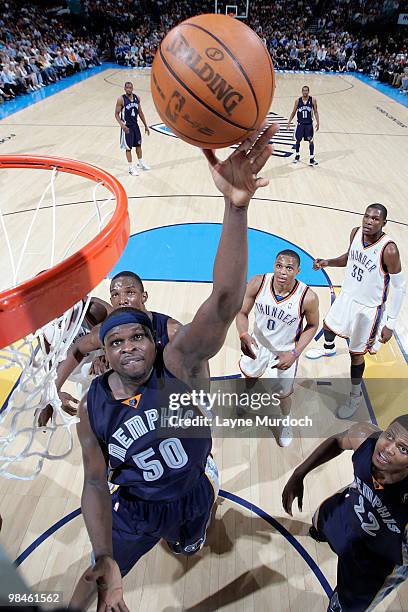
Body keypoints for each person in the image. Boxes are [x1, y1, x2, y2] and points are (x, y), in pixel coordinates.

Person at [69, 123, 277, 611]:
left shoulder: (178, 362)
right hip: (137, 509)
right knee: (96, 580)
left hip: (193, 486)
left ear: (150, 335)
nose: (129, 346)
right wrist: (104, 554)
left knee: (190, 545)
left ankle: (188, 536)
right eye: (115, 341)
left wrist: (236, 206)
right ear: (105, 352)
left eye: (137, 335)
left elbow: (225, 300)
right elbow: (96, 483)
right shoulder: (93, 407)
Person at [282, 415, 408, 612]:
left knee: (348, 605)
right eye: (389, 436)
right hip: (351, 510)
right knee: (321, 519)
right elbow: (337, 441)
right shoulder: (365, 438)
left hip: (379, 557)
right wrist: (299, 473)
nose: (388, 448)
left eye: (403, 449)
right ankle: (323, 533)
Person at [38, 271, 181, 426]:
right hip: (103, 377)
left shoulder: (171, 330)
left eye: (130, 292)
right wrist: (50, 394)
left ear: (144, 296)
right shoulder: (104, 332)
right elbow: (75, 350)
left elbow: (196, 363)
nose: (122, 300)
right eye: (115, 295)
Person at [306, 203, 405, 419]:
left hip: (368, 309)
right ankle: (329, 348)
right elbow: (349, 258)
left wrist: (390, 323)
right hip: (347, 297)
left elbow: (399, 287)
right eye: (367, 216)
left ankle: (354, 394)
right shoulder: (356, 233)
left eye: (375, 219)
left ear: (384, 223)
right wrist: (328, 262)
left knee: (356, 354)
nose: (369, 221)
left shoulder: (389, 249)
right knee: (328, 326)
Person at [236, 250, 319, 446]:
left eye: (289, 268)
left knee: (283, 395)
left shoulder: (307, 297)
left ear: (298, 271)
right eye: (279, 266)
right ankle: (247, 398)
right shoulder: (258, 282)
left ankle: (285, 421)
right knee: (249, 376)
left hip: (285, 352)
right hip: (258, 343)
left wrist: (295, 353)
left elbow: (313, 326)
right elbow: (241, 313)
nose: (282, 271)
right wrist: (243, 334)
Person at [115, 81, 150, 176]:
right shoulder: (121, 99)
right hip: (127, 127)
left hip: (135, 126)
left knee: (138, 145)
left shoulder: (137, 98)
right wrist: (122, 125)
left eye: (130, 88)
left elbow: (140, 112)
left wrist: (146, 125)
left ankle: (141, 163)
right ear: (124, 88)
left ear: (132, 88)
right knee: (128, 148)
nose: (129, 89)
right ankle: (131, 168)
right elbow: (116, 114)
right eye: (127, 88)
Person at [287, 85, 319, 166]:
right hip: (300, 124)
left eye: (306, 90)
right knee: (298, 140)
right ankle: (297, 156)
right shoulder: (298, 101)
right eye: (304, 90)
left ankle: (312, 159)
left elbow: (315, 111)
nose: (305, 92)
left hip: (308, 125)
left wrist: (318, 122)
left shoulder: (313, 100)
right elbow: (294, 112)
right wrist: (289, 121)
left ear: (308, 91)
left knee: (310, 140)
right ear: (302, 92)